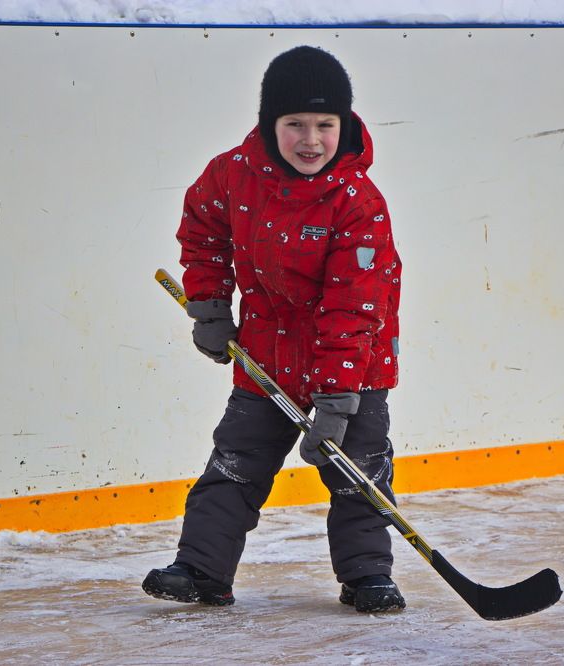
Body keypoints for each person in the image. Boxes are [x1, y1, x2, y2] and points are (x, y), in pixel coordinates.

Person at [142, 45, 404, 613]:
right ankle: (201, 569)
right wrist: (210, 304)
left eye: (325, 125)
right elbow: (203, 229)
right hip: (266, 357)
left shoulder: (359, 202)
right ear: (269, 123)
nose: (310, 139)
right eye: (294, 124)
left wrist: (337, 397)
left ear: (344, 125)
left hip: (356, 364)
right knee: (233, 465)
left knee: (356, 473)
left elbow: (354, 306)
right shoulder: (232, 175)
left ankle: (367, 575)